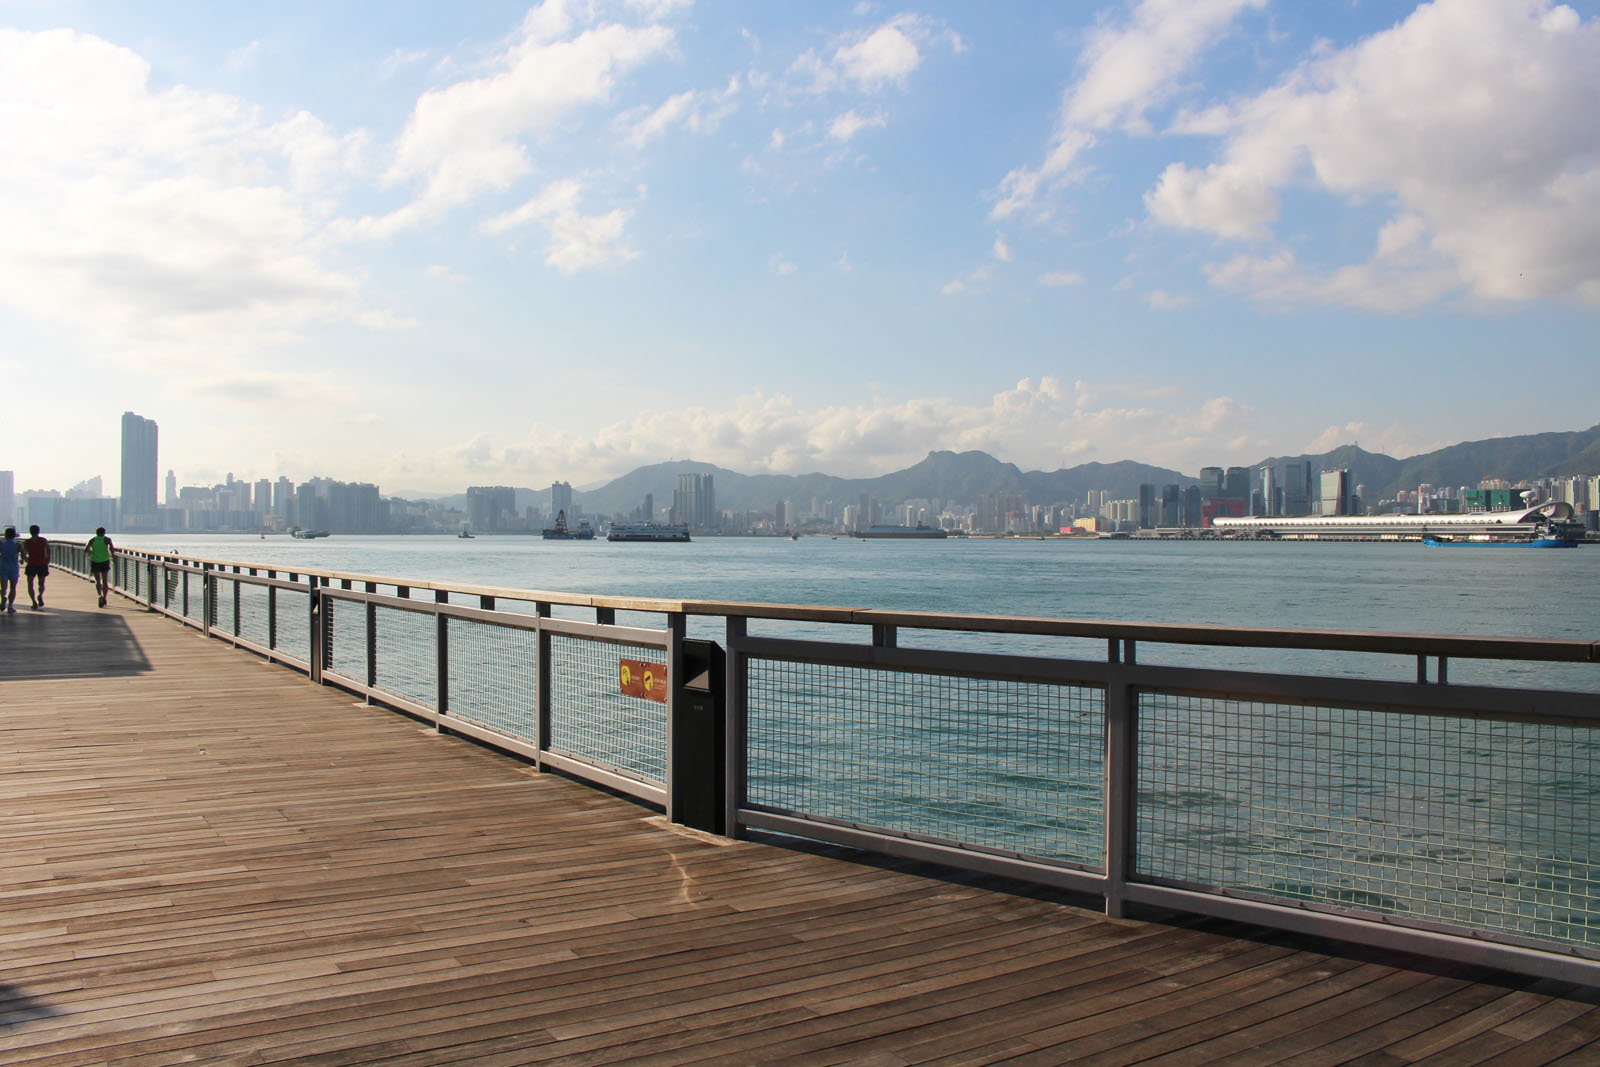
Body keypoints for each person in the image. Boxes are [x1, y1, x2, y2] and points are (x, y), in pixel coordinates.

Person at [87, 525, 115, 607]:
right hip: (105, 561)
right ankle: (105, 598)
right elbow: (112, 549)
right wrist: (112, 556)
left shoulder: (92, 540)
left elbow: (86, 549)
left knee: (98, 581)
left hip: (95, 561)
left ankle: (99, 595)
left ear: (96, 533)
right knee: (105, 581)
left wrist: (91, 551)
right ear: (104, 533)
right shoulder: (107, 539)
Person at [23, 524, 50, 609]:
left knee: (30, 584)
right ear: (38, 531)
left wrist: (24, 559)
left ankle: (34, 602)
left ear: (30, 532)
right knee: (41, 583)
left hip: (31, 564)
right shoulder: (43, 540)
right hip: (42, 564)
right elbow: (48, 550)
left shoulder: (27, 542)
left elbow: (24, 553)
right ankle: (40, 595)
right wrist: (48, 560)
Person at [0, 527, 20, 613]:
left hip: (3, 567)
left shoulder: (1, 544)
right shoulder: (18, 544)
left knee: (3, 587)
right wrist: (23, 559)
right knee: (13, 588)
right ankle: (10, 606)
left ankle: (3, 598)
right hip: (14, 568)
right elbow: (23, 556)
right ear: (14, 535)